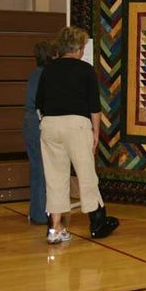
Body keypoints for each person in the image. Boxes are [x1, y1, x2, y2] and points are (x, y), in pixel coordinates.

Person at [36, 26, 119, 244]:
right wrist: (95, 134)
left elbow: (39, 103)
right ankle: (97, 224)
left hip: (50, 124)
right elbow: (94, 107)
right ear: (79, 49)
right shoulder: (85, 70)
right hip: (76, 124)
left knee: (54, 177)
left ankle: (54, 229)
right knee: (87, 174)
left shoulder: (48, 70)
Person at [23, 40, 57, 225]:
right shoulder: (46, 76)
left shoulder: (33, 74)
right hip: (39, 122)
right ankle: (41, 213)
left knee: (36, 168)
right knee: (45, 170)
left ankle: (36, 211)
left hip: (29, 122)